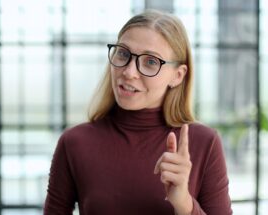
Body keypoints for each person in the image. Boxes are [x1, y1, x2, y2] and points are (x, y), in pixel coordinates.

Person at [44, 10, 232, 215]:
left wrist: (185, 204)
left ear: (178, 76)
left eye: (151, 61)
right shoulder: (74, 143)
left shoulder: (204, 143)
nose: (129, 72)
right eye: (123, 53)